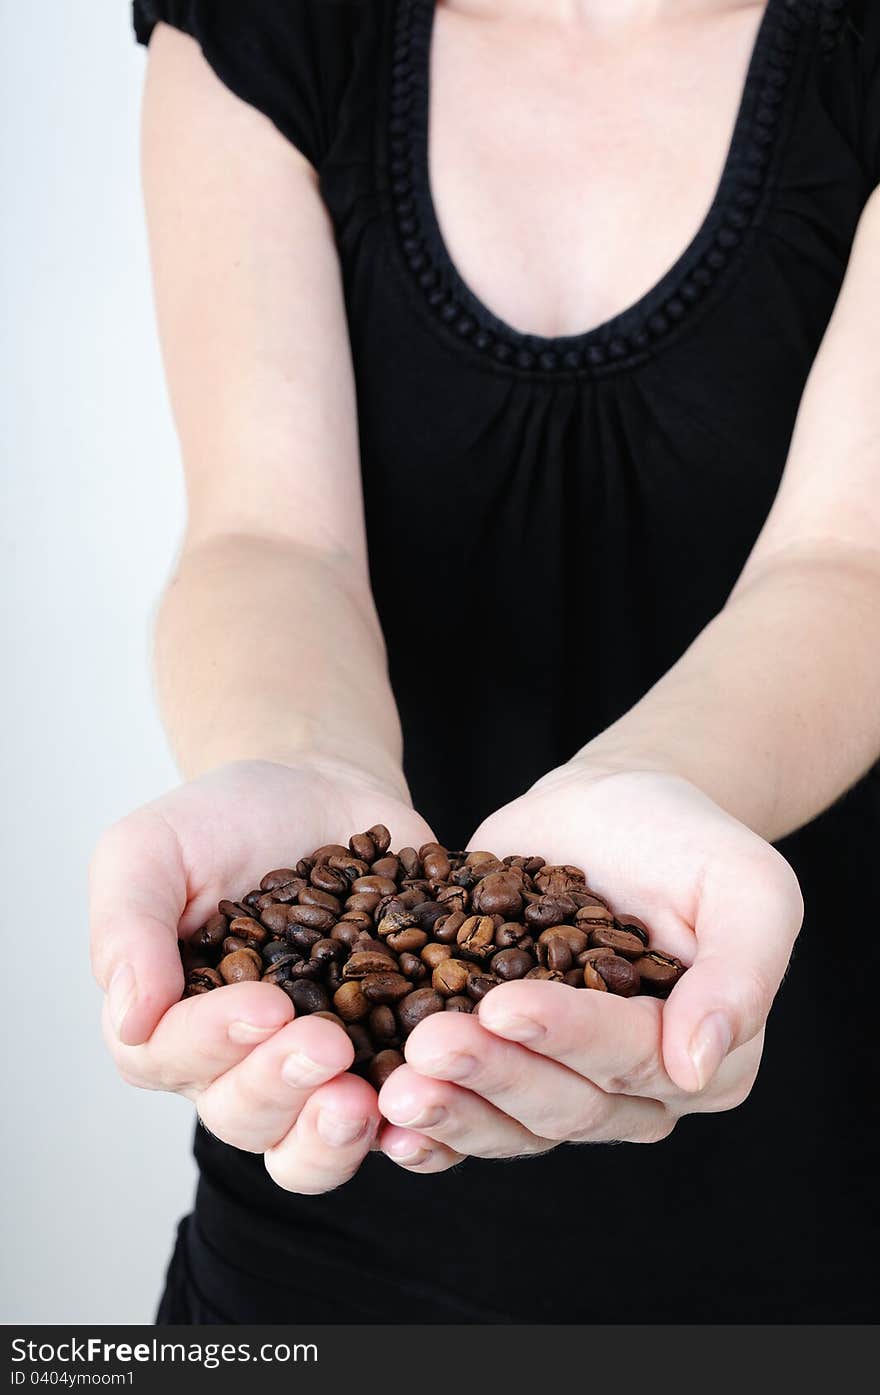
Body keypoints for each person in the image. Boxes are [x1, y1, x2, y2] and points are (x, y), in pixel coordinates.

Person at [92, 0, 880, 1322]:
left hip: (822, 1223)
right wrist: (304, 760)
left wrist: (658, 781)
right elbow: (269, 539)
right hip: (314, 1238)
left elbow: (850, 569)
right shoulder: (273, 32)